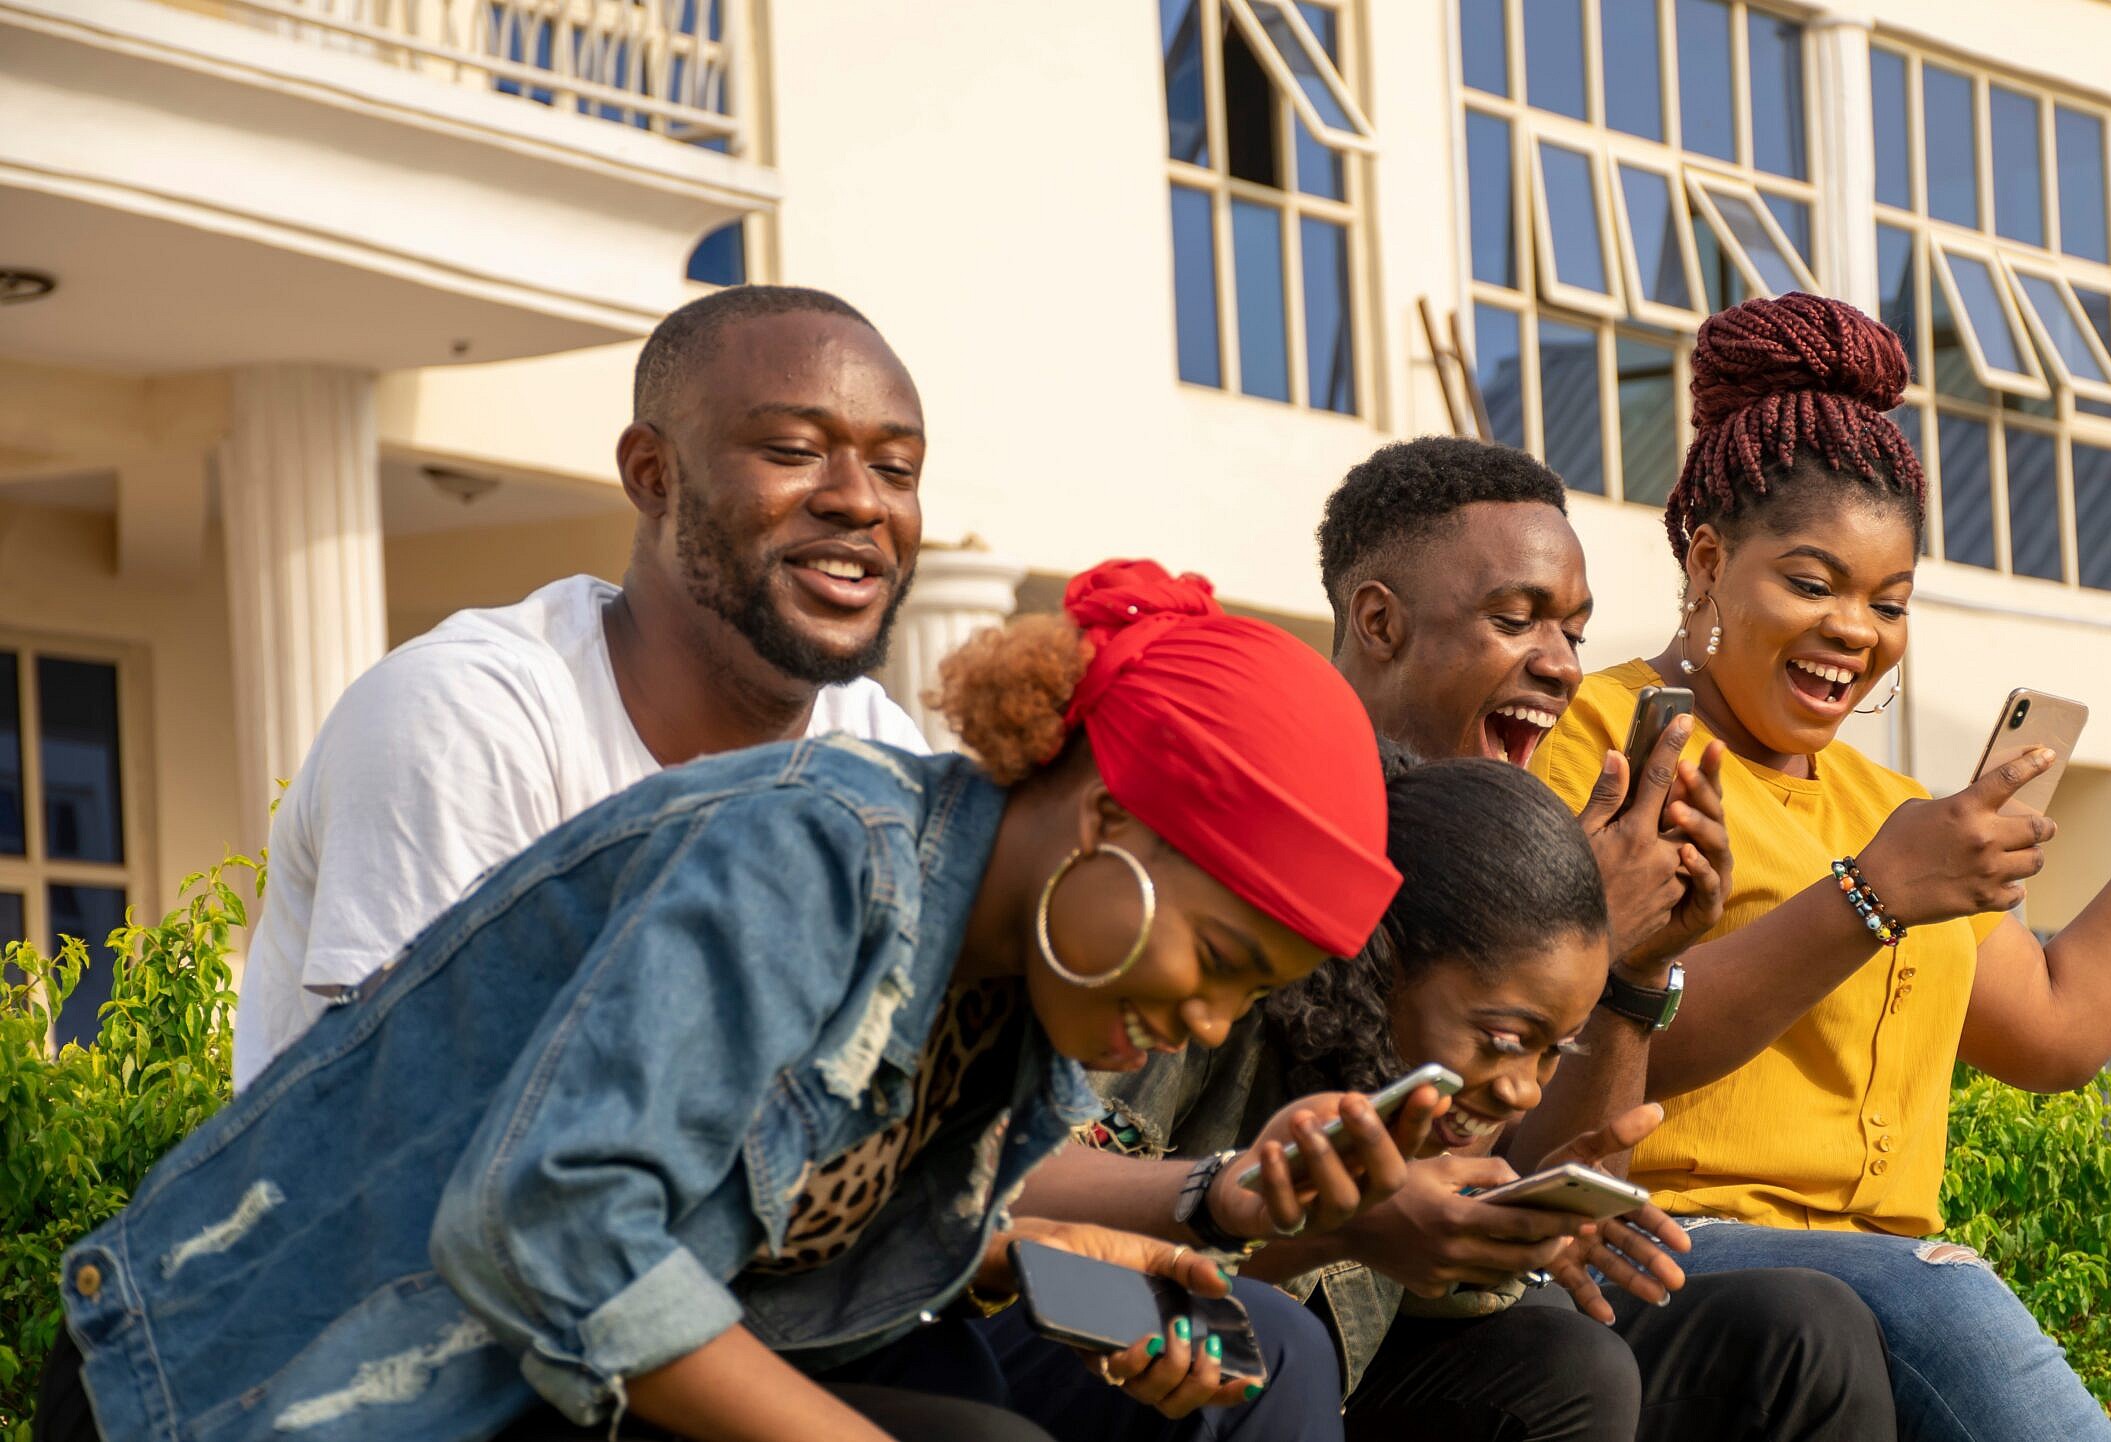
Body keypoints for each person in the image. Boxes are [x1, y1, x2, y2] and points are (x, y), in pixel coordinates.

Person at [47, 560, 1425, 1442]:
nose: (1205, 1024)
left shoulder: (1015, 990)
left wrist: (1201, 1216)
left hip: (525, 1380)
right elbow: (550, 1229)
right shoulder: (817, 854)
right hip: (254, 1389)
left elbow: (853, 1239)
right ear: (1111, 822)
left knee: (1005, 1404)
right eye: (1224, 960)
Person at [1529, 293, 2111, 1441]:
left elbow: (2057, 1028)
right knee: (1934, 1285)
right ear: (1708, 562)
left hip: (1873, 1278)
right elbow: (1591, 1031)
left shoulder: (1891, 810)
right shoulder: (1600, 736)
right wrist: (1867, 900)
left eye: (1889, 601)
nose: (1853, 631)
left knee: (1908, 1286)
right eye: (1811, 584)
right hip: (1652, 1237)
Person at [1021, 439, 1894, 1442]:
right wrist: (1339, 1216)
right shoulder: (1239, 836)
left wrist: (1630, 964)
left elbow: (1492, 1145)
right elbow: (1038, 1230)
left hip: (1377, 1300)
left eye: (1573, 629)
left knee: (1796, 1330)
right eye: (1514, 619)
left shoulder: (1534, 839)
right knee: (1546, 1360)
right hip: (1182, 1308)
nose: (1564, 663)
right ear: (1380, 622)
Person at [233, 284, 931, 1087]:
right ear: (652, 473)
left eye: (895, 468)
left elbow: (945, 1121)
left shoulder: (875, 748)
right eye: (792, 450)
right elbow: (443, 1122)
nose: (859, 501)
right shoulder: (467, 714)